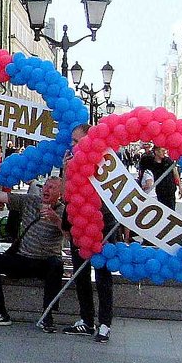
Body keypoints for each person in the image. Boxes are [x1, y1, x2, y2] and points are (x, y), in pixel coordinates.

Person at [0, 167, 68, 334]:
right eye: (45, 186)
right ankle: (0, 312)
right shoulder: (30, 201)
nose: (46, 190)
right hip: (23, 258)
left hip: (46, 261)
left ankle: (48, 315)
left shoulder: (63, 211)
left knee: (56, 265)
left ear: (60, 194)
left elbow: (70, 236)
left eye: (52, 187)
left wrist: (56, 220)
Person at [61, 124, 119, 344]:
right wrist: (66, 171)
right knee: (80, 272)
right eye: (73, 142)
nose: (73, 146)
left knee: (103, 273)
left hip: (101, 222)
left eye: (77, 141)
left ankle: (105, 323)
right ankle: (86, 319)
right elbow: (66, 196)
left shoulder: (104, 162)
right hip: (79, 221)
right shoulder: (71, 163)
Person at [138, 143, 182, 209]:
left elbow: (175, 174)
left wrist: (180, 188)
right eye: (162, 151)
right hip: (158, 192)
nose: (164, 152)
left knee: (171, 210)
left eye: (165, 151)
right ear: (156, 151)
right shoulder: (150, 162)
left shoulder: (168, 161)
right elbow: (143, 172)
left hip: (170, 191)